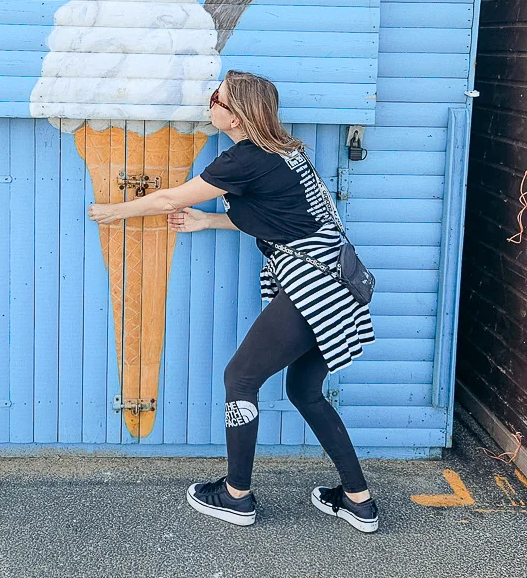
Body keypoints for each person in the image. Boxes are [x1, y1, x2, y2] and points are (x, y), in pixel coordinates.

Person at [87, 70, 378, 534]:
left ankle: (236, 495)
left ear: (237, 115)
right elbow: (282, 219)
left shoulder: (244, 159)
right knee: (304, 391)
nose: (209, 103)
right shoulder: (287, 151)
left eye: (215, 97)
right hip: (339, 285)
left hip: (314, 288)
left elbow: (170, 198)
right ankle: (359, 501)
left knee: (240, 378)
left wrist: (113, 211)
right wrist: (208, 222)